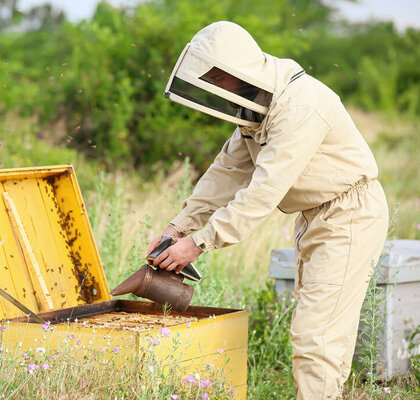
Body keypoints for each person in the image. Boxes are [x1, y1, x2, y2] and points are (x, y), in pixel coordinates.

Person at [146, 21, 389, 399]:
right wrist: (177, 229)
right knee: (322, 332)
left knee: (317, 335)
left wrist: (198, 244)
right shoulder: (258, 111)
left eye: (217, 78)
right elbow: (224, 174)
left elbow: (263, 191)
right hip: (314, 216)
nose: (216, 88)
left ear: (237, 71)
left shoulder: (301, 106)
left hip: (349, 214)